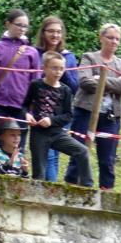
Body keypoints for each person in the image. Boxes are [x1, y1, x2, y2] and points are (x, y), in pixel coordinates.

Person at [68, 23, 121, 189]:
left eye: (117, 39)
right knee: (78, 152)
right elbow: (84, 82)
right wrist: (114, 82)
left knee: (108, 158)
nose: (114, 41)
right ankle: (72, 189)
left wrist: (100, 79)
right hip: (85, 112)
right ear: (101, 37)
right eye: (110, 37)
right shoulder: (89, 57)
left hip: (110, 116)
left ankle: (106, 194)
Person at [23, 51, 90, 186]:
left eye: (61, 69)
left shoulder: (66, 90)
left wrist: (51, 120)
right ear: (45, 68)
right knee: (39, 172)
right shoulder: (36, 85)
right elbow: (25, 105)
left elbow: (68, 115)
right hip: (38, 134)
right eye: (54, 68)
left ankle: (87, 187)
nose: (58, 72)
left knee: (82, 151)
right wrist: (27, 114)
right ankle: (36, 198)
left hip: (57, 133)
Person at [0, 8, 40, 153]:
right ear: (8, 24)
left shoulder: (32, 52)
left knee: (19, 146)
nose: (22, 29)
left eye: (25, 26)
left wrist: (33, 109)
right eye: (19, 25)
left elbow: (36, 83)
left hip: (22, 106)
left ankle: (17, 173)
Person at [34, 16, 78, 182]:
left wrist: (61, 68)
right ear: (43, 32)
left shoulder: (69, 57)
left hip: (60, 112)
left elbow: (75, 87)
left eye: (58, 32)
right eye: (51, 31)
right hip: (39, 109)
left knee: (53, 154)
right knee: (39, 152)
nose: (55, 35)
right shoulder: (35, 53)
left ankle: (50, 189)